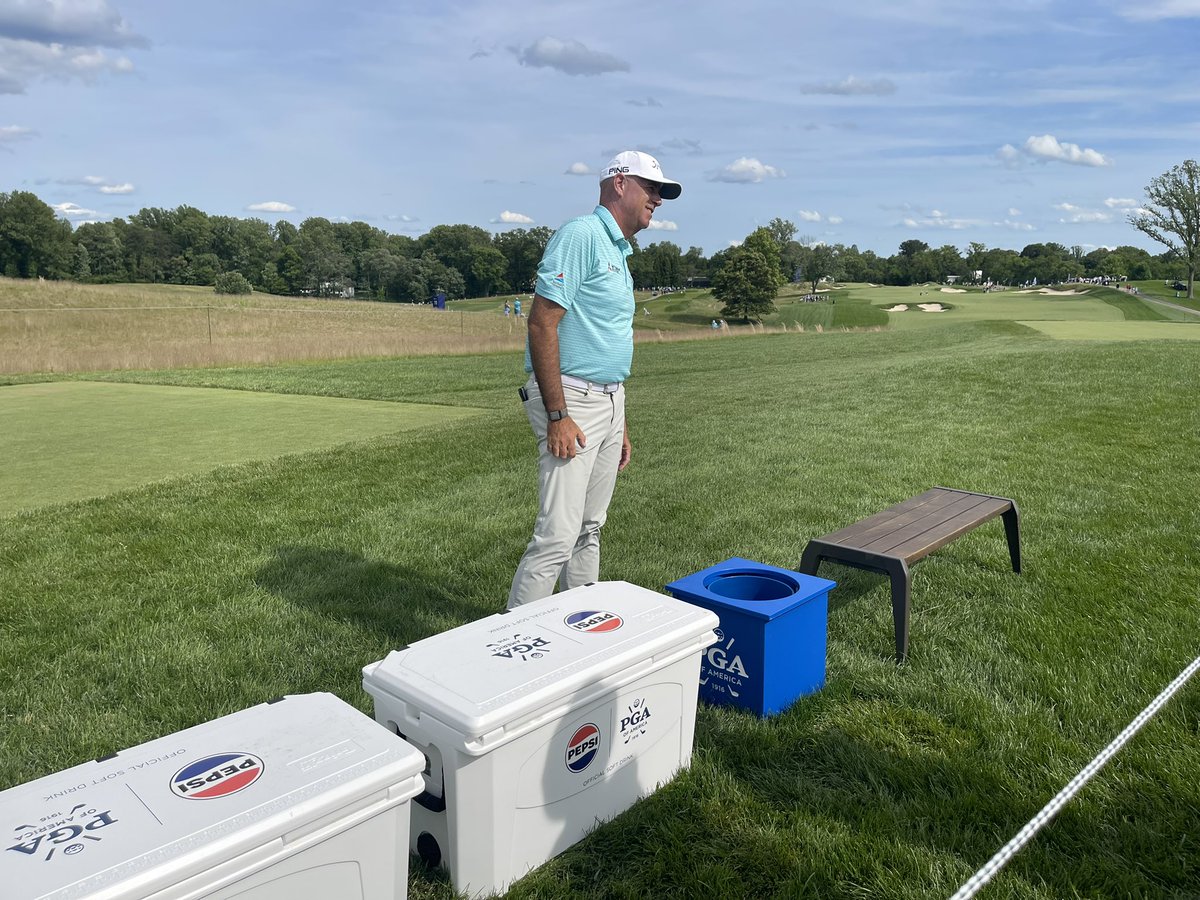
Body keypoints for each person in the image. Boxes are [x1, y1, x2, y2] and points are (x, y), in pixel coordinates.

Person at [507, 150, 683, 608]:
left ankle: (579, 625)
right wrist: (558, 414)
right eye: (652, 188)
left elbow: (606, 340)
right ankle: (514, 642)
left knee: (589, 527)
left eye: (662, 192)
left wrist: (618, 420)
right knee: (557, 536)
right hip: (572, 400)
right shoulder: (581, 235)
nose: (659, 200)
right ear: (619, 183)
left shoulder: (619, 251)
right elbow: (542, 322)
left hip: (608, 400)